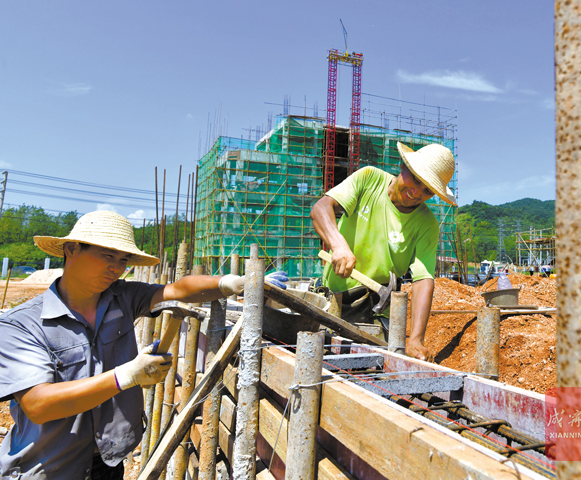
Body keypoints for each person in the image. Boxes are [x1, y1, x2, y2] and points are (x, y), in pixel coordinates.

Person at [0, 210, 285, 479]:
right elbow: (38, 405)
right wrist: (127, 375)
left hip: (107, 461)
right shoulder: (22, 323)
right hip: (47, 466)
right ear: (71, 249)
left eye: (124, 259)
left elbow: (177, 289)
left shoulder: (122, 297)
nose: (116, 268)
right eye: (107, 255)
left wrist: (231, 282)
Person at [311, 142, 456, 361]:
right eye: (416, 179)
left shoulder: (427, 224)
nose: (416, 192)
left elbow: (423, 279)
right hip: (332, 299)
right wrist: (339, 245)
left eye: (427, 190)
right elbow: (321, 208)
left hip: (373, 310)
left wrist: (416, 338)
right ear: (404, 166)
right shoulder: (370, 179)